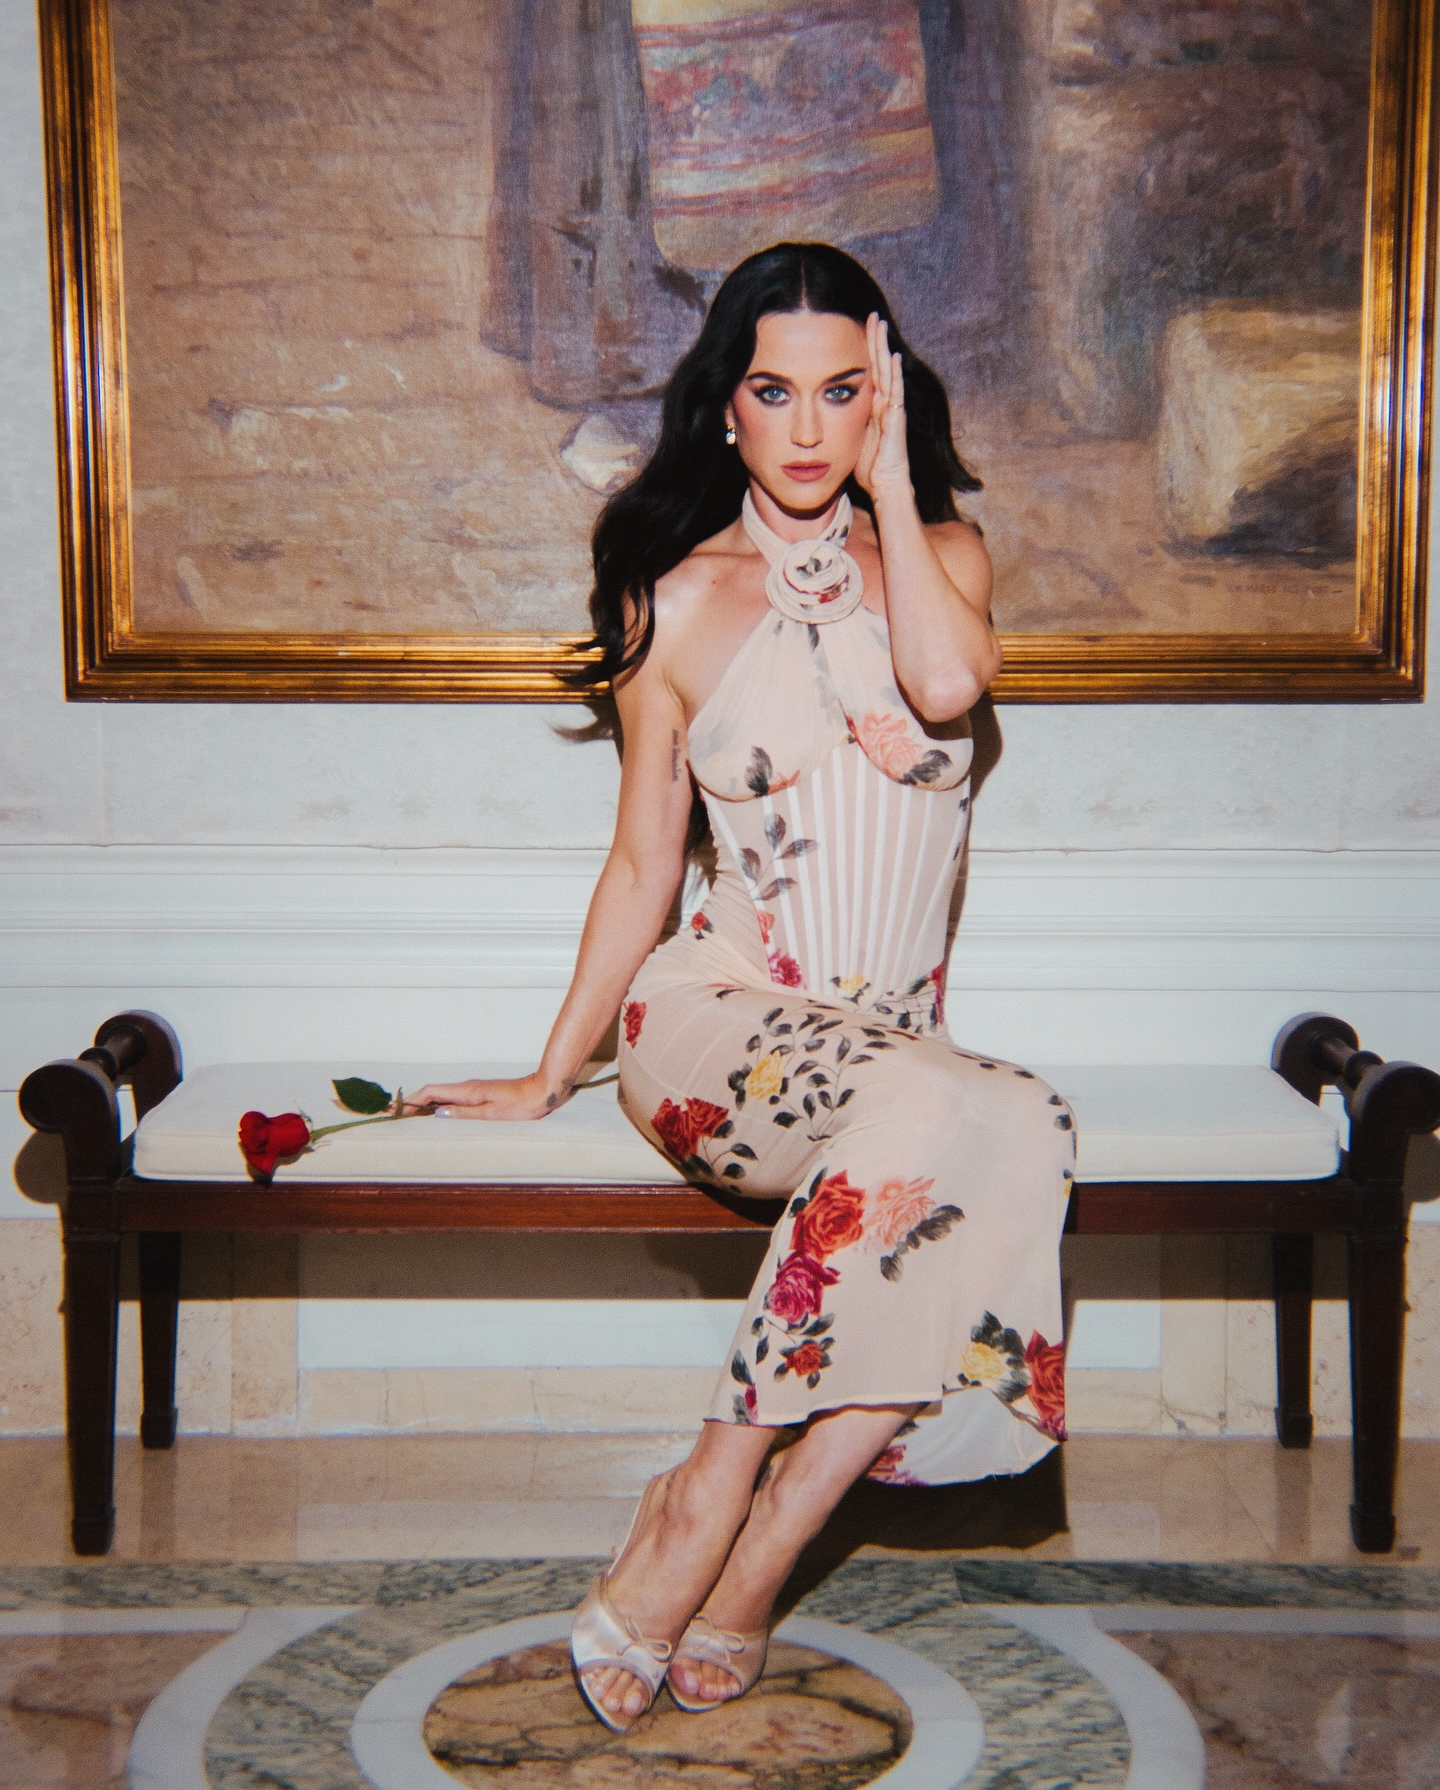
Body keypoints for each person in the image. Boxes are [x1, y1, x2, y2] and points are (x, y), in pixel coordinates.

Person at [408, 242, 1076, 1732]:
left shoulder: (949, 563)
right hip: (713, 1027)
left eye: (843, 392)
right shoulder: (674, 598)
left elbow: (944, 690)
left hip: (893, 1061)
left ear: (882, 401)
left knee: (1014, 1121)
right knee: (953, 1120)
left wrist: (894, 491)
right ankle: (709, 1491)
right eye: (775, 392)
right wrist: (551, 1068)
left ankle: (759, 1545)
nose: (807, 425)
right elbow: (644, 861)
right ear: (727, 407)